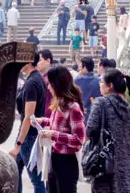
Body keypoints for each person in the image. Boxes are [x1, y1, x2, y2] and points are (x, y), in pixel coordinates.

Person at [86, 68, 130, 193]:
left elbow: (89, 132)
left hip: (104, 168)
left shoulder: (100, 103)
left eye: (101, 82)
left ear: (110, 86)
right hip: (126, 170)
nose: (100, 85)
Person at [35, 65, 85, 193]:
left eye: (51, 84)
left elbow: (78, 139)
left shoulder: (73, 107)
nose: (48, 87)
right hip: (54, 158)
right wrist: (42, 121)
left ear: (58, 84)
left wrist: (53, 134)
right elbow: (57, 125)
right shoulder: (59, 103)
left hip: (67, 162)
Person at [9, 49, 52, 193]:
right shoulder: (36, 78)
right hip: (28, 134)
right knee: (15, 171)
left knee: (36, 179)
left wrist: (19, 144)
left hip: (29, 136)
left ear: (28, 62)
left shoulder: (32, 82)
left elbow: (29, 116)